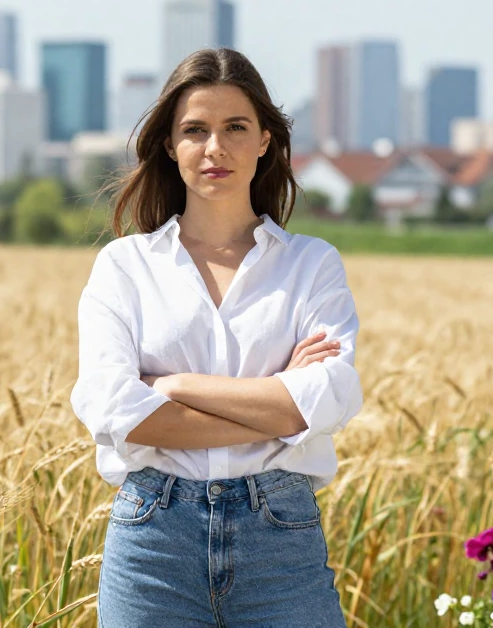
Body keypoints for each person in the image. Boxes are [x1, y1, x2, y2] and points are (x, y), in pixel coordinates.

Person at [69, 47, 364, 627]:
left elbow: (328, 398)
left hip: (281, 542)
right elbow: (113, 410)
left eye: (235, 127)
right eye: (194, 130)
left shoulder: (311, 265)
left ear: (264, 141)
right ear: (169, 146)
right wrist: (278, 404)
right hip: (154, 542)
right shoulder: (124, 267)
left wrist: (173, 385)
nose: (215, 148)